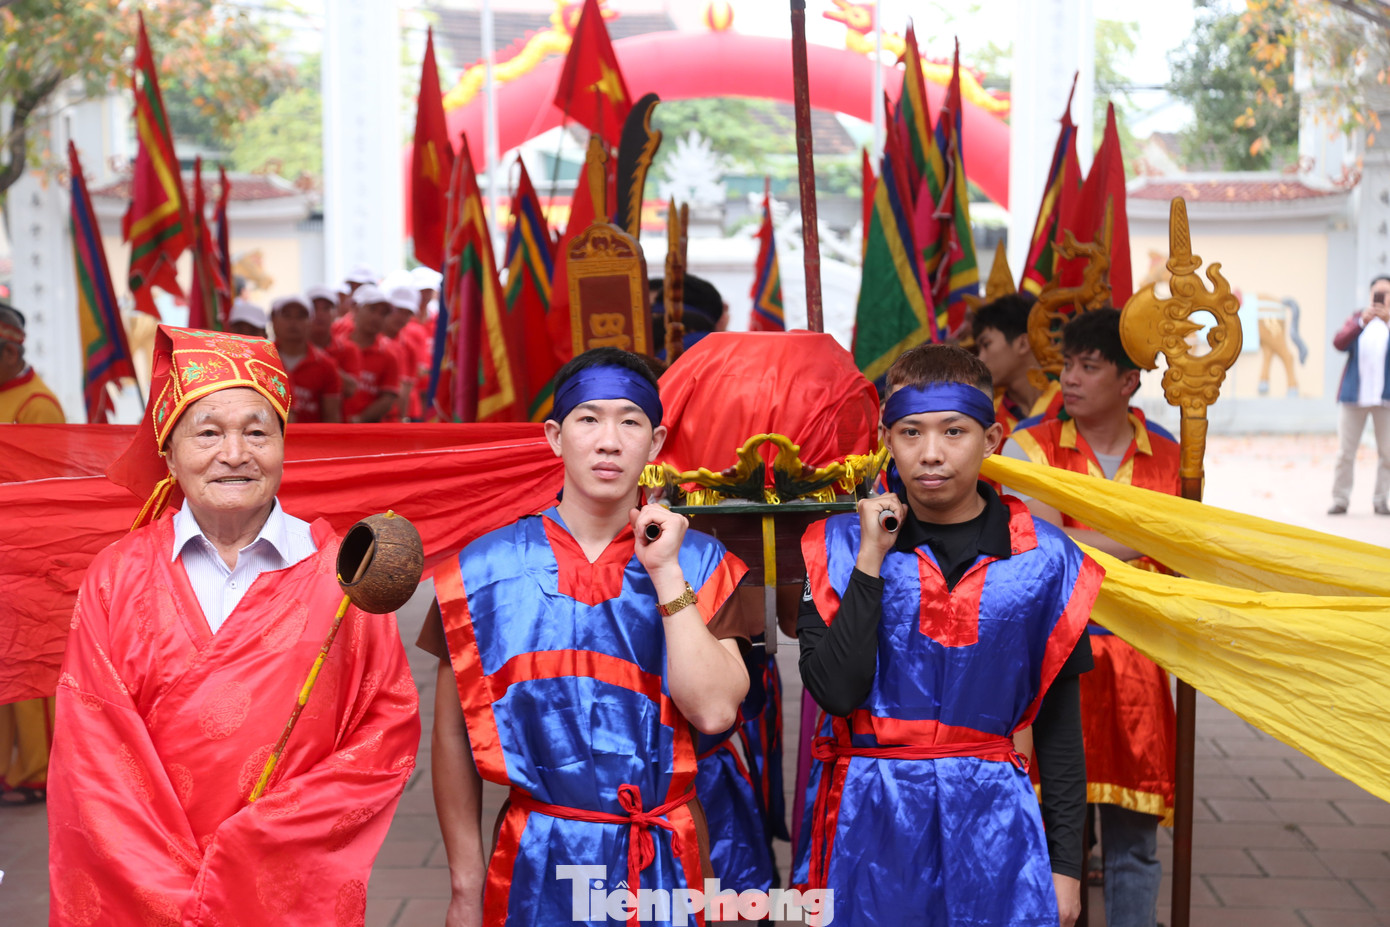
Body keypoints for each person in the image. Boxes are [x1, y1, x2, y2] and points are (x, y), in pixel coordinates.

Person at [48, 325, 419, 925]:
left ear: (283, 446)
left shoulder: (341, 574)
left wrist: (255, 842)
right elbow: (90, 751)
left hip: (288, 884)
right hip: (144, 890)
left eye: (257, 431)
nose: (235, 453)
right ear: (169, 453)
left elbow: (385, 732)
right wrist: (177, 891)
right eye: (208, 433)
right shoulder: (117, 576)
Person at [418, 346, 755, 927]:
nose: (609, 441)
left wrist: (666, 573)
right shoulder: (480, 571)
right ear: (555, 436)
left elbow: (715, 711)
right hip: (536, 851)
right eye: (589, 419)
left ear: (655, 442)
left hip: (662, 852)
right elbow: (452, 737)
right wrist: (466, 887)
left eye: (630, 422)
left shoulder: (701, 563)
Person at [796, 343, 1099, 927]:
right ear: (886, 440)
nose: (931, 453)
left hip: (993, 820)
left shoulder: (1046, 560)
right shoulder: (832, 547)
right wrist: (869, 559)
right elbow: (837, 691)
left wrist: (1066, 866)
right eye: (910, 433)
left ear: (992, 439)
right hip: (867, 815)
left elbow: (1061, 726)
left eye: (954, 431)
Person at [1005, 308, 1179, 927]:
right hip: (1054, 661)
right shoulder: (1028, 446)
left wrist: (1091, 542)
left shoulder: (1173, 455)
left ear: (1129, 381)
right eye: (1067, 365)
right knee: (1052, 836)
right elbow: (1040, 548)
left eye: (1089, 366)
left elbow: (1190, 556)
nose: (1070, 379)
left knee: (1135, 843)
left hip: (1138, 668)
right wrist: (1145, 538)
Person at [0, 303, 62, 808]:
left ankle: (39, 770)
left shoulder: (39, 405)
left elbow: (46, 488)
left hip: (25, 549)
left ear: (11, 350)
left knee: (30, 663)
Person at [1329, 274, 1390, 515]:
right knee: (1345, 452)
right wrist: (1361, 323)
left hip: (1385, 399)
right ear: (1370, 295)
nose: (1382, 297)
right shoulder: (1358, 318)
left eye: (1387, 293)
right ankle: (1340, 499)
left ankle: (1381, 499)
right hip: (1354, 397)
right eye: (1378, 292)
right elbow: (1338, 342)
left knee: (1387, 453)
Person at [970, 293, 1062, 437]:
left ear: (1023, 343)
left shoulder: (1068, 400)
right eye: (978, 350)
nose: (980, 359)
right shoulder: (986, 418)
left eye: (986, 344)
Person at [334, 284, 402, 423]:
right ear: (356, 309)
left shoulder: (389, 355)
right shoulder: (336, 346)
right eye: (372, 309)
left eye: (383, 313)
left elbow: (388, 398)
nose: (377, 317)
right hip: (330, 427)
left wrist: (358, 420)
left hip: (366, 430)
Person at [272, 294, 343, 423]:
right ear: (274, 321)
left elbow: (331, 419)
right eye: (287, 315)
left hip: (311, 436)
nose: (293, 322)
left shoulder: (326, 365)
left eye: (301, 316)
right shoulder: (262, 359)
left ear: (311, 323)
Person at [305, 284, 340, 352]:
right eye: (314, 308)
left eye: (326, 308)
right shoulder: (291, 349)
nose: (320, 314)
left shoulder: (348, 350)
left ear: (336, 313)